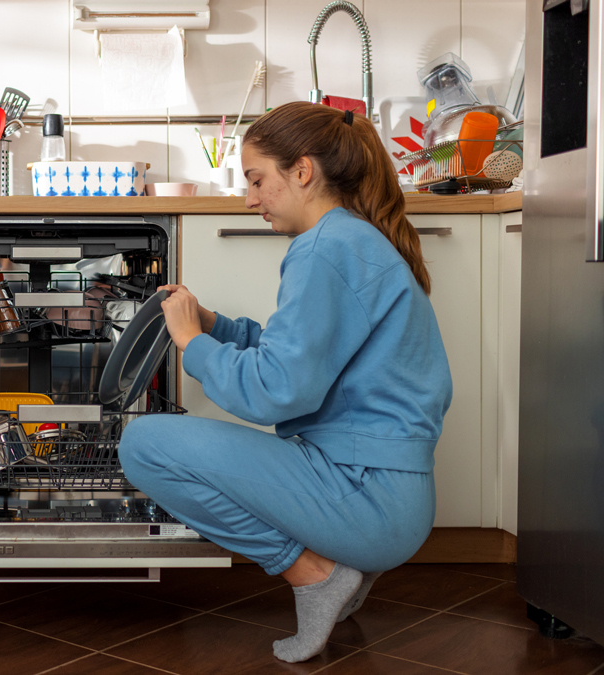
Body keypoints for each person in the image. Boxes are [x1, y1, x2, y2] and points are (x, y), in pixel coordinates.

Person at [119, 102, 453, 662]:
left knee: (144, 444)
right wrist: (214, 325)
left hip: (368, 498)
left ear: (302, 172)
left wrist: (191, 345)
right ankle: (340, 566)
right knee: (157, 441)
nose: (250, 199)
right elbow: (297, 353)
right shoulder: (354, 239)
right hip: (390, 497)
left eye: (256, 180)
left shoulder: (324, 248)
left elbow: (277, 388)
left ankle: (315, 574)